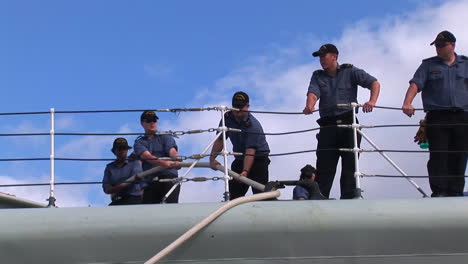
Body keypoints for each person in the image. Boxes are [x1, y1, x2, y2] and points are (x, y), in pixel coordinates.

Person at [303, 44, 381, 199]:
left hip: (348, 123)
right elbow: (313, 92)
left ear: (334, 56)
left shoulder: (350, 71)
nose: (321, 60)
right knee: (324, 166)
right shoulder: (318, 76)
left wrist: (372, 101)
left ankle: (349, 198)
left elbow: (374, 83)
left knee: (350, 167)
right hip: (328, 125)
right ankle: (320, 198)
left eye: (324, 56)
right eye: (320, 57)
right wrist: (309, 105)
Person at [402, 30, 467, 197]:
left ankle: (456, 191)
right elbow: (415, 84)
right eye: (436, 45)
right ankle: (439, 191)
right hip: (438, 116)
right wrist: (407, 102)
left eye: (441, 45)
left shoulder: (465, 64)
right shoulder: (428, 65)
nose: (438, 48)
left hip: (462, 116)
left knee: (460, 155)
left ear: (452, 46)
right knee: (438, 155)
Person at [209, 91, 270, 200]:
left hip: (258, 160)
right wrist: (212, 159)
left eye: (241, 108)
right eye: (235, 107)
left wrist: (245, 171)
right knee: (234, 194)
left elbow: (250, 151)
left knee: (260, 195)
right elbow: (220, 140)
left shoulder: (253, 125)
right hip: (240, 158)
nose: (237, 111)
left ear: (247, 106)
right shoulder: (227, 118)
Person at [134, 110, 182, 203]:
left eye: (154, 120)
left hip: (169, 178)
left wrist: (177, 159)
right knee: (149, 214)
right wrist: (165, 163)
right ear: (142, 124)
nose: (152, 123)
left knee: (171, 209)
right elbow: (147, 156)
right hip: (151, 182)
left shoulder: (165, 137)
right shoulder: (139, 143)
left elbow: (172, 150)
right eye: (148, 120)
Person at [102, 138, 144, 206]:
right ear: (114, 151)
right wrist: (123, 185)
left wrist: (115, 188)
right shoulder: (109, 167)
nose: (122, 151)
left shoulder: (134, 162)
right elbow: (106, 189)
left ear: (127, 150)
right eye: (119, 148)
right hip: (117, 201)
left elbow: (135, 179)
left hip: (133, 199)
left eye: (124, 148)